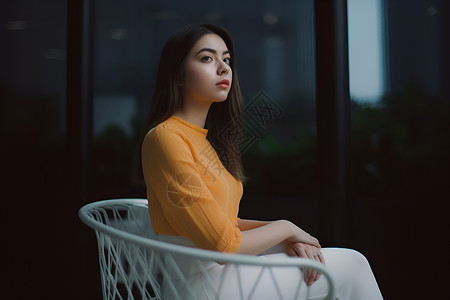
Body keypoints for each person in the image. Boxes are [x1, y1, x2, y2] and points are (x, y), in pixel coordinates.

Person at [140, 23, 383, 300]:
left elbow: (225, 226)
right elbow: (224, 245)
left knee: (323, 260)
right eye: (207, 58)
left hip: (225, 276)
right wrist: (286, 227)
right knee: (352, 265)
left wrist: (285, 237)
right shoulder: (166, 138)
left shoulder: (203, 142)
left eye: (226, 59)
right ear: (178, 74)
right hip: (203, 286)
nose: (223, 68)